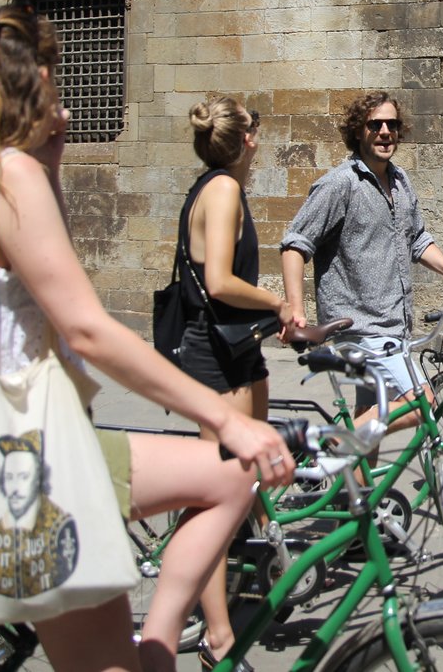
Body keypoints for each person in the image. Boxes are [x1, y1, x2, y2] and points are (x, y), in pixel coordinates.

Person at [0, 5, 293, 672]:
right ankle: (165, 645)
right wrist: (223, 417)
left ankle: (165, 646)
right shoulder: (10, 176)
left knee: (224, 483)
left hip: (16, 448)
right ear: (24, 82)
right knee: (232, 471)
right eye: (50, 74)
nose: (61, 92)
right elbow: (86, 327)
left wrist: (49, 157)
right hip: (38, 457)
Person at [280, 91, 443, 428]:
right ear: (359, 131)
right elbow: (295, 244)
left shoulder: (400, 182)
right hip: (360, 328)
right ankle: (331, 442)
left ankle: (351, 459)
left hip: (393, 325)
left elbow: (418, 240)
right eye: (375, 125)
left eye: (392, 125)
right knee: (422, 403)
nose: (385, 132)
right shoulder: (341, 184)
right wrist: (296, 310)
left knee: (369, 416)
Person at [176, 95, 289, 666]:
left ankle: (267, 562)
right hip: (215, 355)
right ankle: (215, 636)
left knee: (250, 476)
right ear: (247, 139)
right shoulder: (220, 189)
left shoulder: (222, 186)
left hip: (240, 348)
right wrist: (278, 301)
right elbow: (219, 281)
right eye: (257, 131)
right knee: (216, 494)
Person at [0, 430, 79, 599]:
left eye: (24, 477)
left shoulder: (61, 530)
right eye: (9, 477)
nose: (15, 489)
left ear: (38, 478)